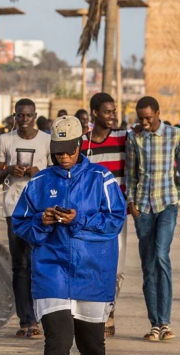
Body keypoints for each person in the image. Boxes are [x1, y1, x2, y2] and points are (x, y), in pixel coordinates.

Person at [11, 116, 126, 355]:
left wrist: (80, 219)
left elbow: (115, 220)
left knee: (93, 347)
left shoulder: (101, 179)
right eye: (58, 151)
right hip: (52, 272)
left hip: (92, 273)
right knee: (57, 343)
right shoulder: (39, 182)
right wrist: (41, 221)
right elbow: (20, 223)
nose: (63, 157)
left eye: (69, 151)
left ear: (80, 145)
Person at [127, 96, 180, 341]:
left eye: (148, 118)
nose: (145, 122)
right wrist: (132, 203)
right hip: (143, 207)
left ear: (158, 113)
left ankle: (166, 321)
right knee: (148, 265)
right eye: (141, 119)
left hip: (167, 203)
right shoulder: (135, 137)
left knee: (161, 255)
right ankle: (155, 324)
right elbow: (131, 173)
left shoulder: (175, 135)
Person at [0, 98, 51, 338]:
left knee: (38, 263)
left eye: (28, 115)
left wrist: (39, 173)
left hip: (40, 211)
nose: (24, 119)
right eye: (20, 115)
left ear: (35, 116)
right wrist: (8, 170)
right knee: (20, 265)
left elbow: (56, 175)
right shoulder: (5, 140)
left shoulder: (46, 140)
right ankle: (26, 320)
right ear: (14, 116)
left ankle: (38, 317)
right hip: (14, 209)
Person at [80, 92, 129, 338]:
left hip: (117, 214)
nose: (112, 116)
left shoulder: (124, 138)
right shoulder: (82, 143)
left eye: (114, 112)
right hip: (90, 215)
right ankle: (96, 314)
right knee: (92, 266)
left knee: (117, 269)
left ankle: (110, 310)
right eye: (107, 112)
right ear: (95, 113)